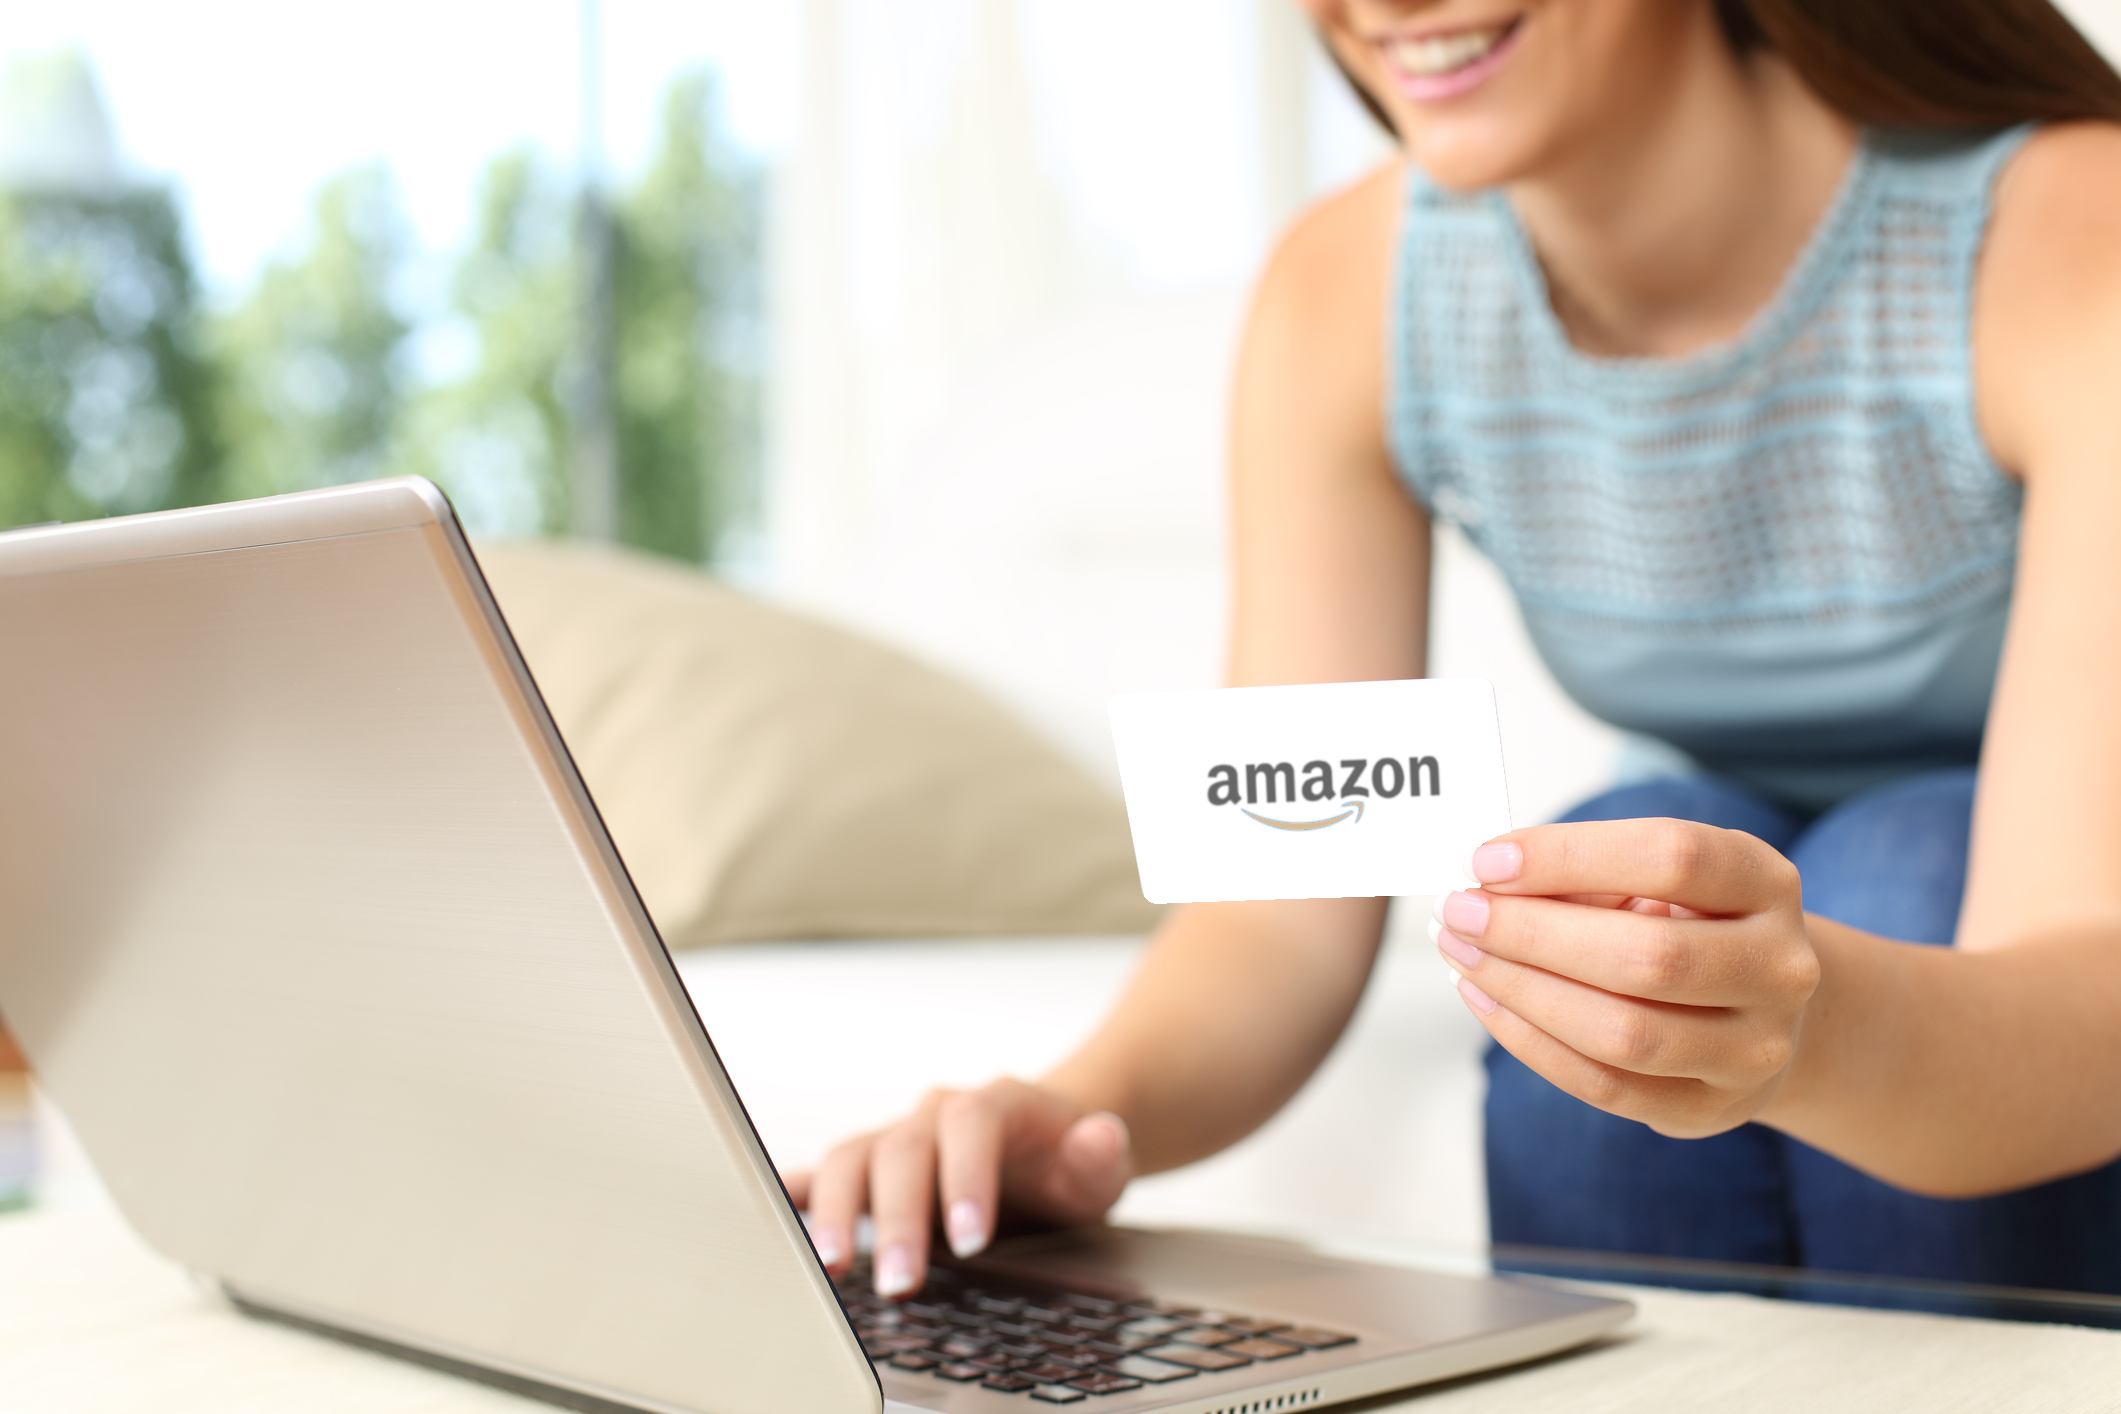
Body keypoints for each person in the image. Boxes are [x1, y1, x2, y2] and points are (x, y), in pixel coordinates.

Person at [788, 0, 2121, 1299]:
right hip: (1756, 835)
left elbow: (2086, 980)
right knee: (1609, 920)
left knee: (1892, 867)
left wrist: (1805, 1028)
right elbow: (1279, 905)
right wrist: (1075, 1115)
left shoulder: (2070, 230)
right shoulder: (1350, 289)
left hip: (2028, 930)